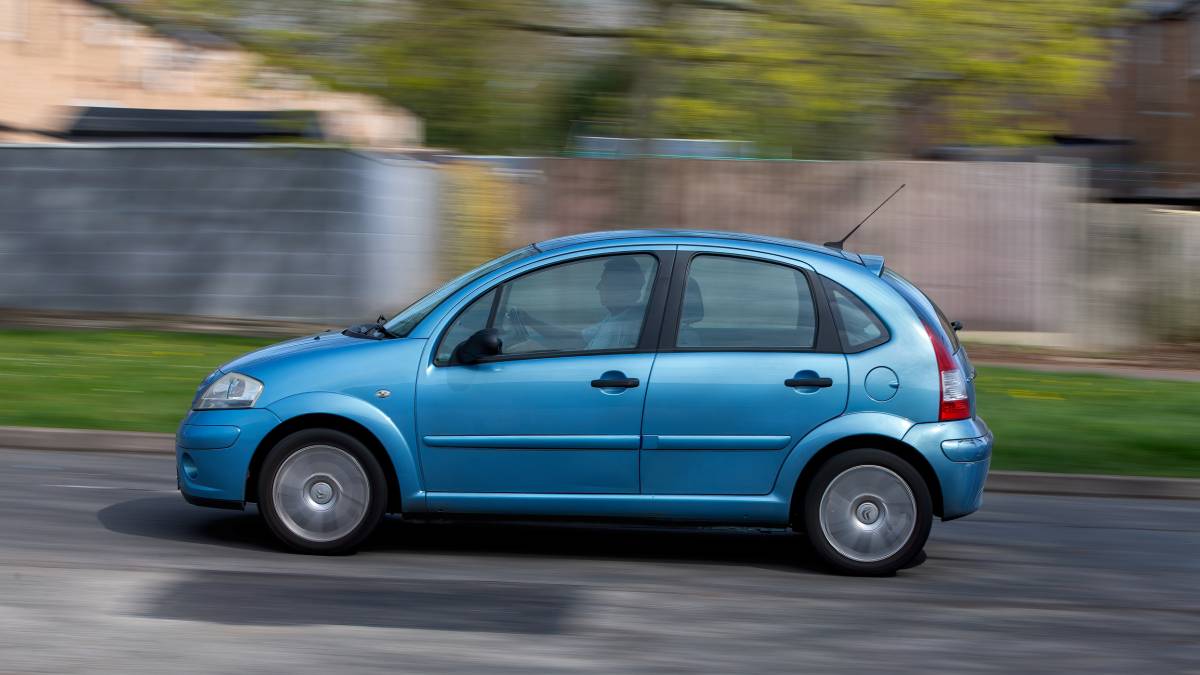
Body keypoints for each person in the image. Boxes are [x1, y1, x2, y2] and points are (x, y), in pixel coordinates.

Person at [506, 256, 647, 351]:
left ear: (621, 288)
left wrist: (535, 350)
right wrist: (530, 320)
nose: (598, 287)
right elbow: (577, 339)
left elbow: (591, 366)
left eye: (605, 282)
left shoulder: (623, 329)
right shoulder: (618, 317)